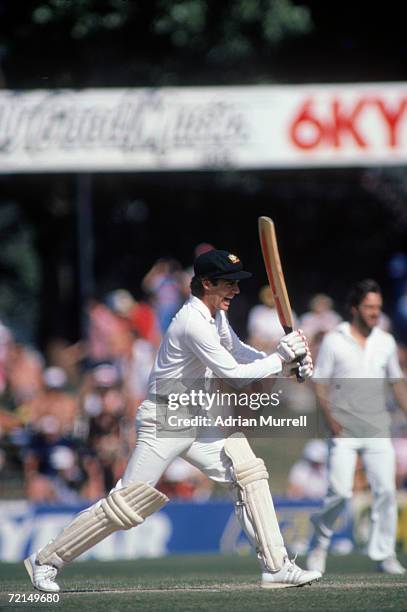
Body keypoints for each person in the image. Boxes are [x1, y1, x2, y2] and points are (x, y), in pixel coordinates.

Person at [24, 249, 319, 592]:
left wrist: (285, 365)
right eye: (228, 284)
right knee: (128, 505)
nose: (235, 291)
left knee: (247, 471)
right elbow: (234, 374)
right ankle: (46, 560)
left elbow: (238, 351)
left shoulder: (214, 316)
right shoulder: (192, 322)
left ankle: (277, 566)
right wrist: (281, 359)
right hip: (164, 420)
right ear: (206, 283)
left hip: (196, 419)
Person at [306, 279, 407, 575]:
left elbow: (396, 384)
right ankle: (319, 546)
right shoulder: (335, 340)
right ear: (354, 309)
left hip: (378, 428)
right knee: (339, 492)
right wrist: (330, 419)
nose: (374, 313)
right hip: (343, 431)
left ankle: (383, 554)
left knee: (386, 491)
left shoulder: (386, 342)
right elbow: (320, 383)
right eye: (368, 307)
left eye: (378, 307)